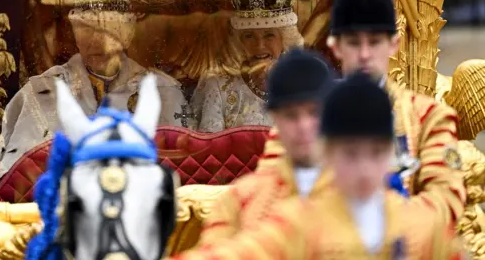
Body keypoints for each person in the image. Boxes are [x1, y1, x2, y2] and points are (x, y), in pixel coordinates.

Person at [171, 73, 463, 260]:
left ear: (393, 157)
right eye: (351, 154)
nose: (363, 168)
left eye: (374, 153)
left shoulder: (425, 226)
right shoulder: (297, 222)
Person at [327, 0, 465, 225]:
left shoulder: (428, 117)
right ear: (336, 46)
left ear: (394, 44)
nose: (365, 54)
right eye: (354, 42)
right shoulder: (307, 117)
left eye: (375, 41)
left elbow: (446, 202)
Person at [0, 7, 187, 179]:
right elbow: (15, 175)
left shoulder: (162, 91)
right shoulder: (42, 91)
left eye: (106, 30)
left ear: (128, 35)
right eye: (86, 28)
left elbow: (184, 170)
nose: (97, 41)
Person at [197, 48, 334, 245]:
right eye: (291, 115)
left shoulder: (364, 194)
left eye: (314, 113)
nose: (304, 126)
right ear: (275, 118)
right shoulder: (240, 200)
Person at [191, 0, 304, 132]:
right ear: (239, 42)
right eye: (249, 36)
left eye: (269, 35)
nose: (259, 45)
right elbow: (209, 148)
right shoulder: (219, 88)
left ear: (284, 41)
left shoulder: (305, 87)